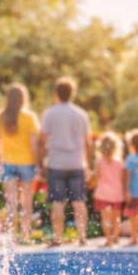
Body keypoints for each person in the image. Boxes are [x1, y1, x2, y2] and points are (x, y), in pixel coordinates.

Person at [38, 77, 92, 247]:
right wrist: (88, 165)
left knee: (57, 201)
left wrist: (40, 163)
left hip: (56, 163)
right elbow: (88, 143)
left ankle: (58, 238)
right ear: (73, 94)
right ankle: (83, 237)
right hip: (77, 163)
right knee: (78, 200)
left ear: (56, 94)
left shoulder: (49, 113)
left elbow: (41, 140)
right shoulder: (81, 114)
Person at [0, 83, 40, 244]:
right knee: (26, 201)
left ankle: (11, 237)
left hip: (8, 163)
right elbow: (34, 143)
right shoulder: (29, 117)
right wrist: (38, 163)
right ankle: (24, 236)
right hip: (27, 163)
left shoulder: (0, 117)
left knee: (11, 202)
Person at [91, 132, 124, 247]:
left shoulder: (99, 161)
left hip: (103, 193)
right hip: (117, 193)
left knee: (106, 218)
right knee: (116, 218)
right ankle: (116, 237)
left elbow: (96, 177)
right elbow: (122, 177)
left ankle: (108, 239)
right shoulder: (119, 161)